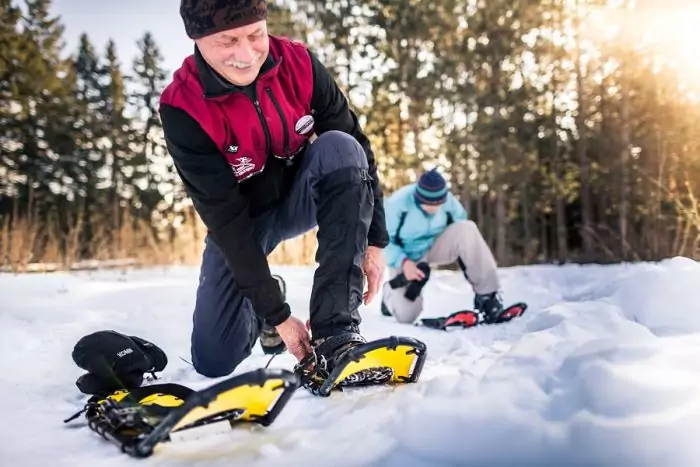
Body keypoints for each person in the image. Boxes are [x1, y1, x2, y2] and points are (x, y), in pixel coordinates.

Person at [159, 0, 388, 378]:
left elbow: (357, 147)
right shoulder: (182, 107)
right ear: (197, 38)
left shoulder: (299, 64)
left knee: (340, 147)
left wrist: (375, 240)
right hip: (243, 223)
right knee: (214, 360)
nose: (246, 54)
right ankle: (261, 307)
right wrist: (276, 313)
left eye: (255, 35)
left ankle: (337, 330)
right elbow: (226, 221)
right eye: (227, 41)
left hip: (304, 193)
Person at [380, 169, 504, 324]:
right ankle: (389, 294)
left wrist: (469, 267)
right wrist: (404, 263)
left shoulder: (448, 200)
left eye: (438, 203)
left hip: (433, 248)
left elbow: (462, 232)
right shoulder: (398, 203)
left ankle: (488, 296)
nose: (433, 208)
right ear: (418, 197)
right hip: (405, 255)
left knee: (467, 228)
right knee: (407, 316)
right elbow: (383, 241)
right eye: (428, 203)